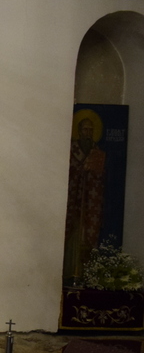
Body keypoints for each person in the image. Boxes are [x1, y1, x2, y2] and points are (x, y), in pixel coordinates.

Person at [64, 114, 107, 284]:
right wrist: (81, 172)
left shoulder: (97, 152)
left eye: (91, 130)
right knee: (71, 237)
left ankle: (83, 275)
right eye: (85, 129)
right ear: (79, 131)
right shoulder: (71, 150)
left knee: (85, 237)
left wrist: (91, 174)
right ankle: (67, 272)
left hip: (88, 203)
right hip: (73, 200)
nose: (88, 133)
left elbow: (100, 179)